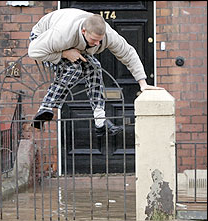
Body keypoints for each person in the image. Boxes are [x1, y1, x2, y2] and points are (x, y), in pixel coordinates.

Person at [28, 8, 163, 136]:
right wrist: (64, 54)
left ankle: (100, 120)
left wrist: (142, 83)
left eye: (100, 40)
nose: (98, 44)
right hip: (42, 40)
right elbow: (33, 51)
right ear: (84, 31)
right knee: (73, 69)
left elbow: (128, 53)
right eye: (94, 40)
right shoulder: (61, 34)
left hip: (70, 43)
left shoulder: (108, 35)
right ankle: (45, 108)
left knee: (94, 66)